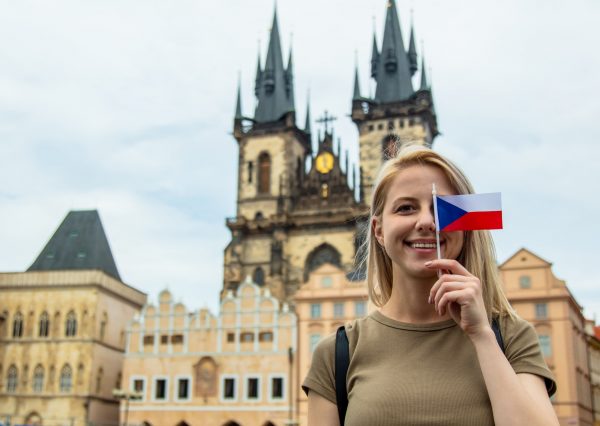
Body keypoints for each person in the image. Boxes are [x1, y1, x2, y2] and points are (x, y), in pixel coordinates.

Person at [302, 145, 558, 426]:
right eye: (406, 208)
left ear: (464, 225)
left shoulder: (510, 337)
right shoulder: (338, 353)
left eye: (441, 209)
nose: (425, 221)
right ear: (378, 230)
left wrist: (482, 336)